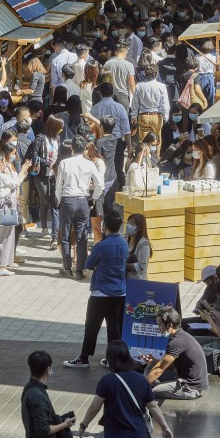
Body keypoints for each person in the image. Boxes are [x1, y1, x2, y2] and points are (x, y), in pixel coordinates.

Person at [64, 213, 128, 368]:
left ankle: (84, 358)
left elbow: (88, 263)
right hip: (120, 292)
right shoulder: (124, 243)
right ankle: (112, 359)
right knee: (114, 328)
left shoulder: (101, 245)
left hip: (100, 292)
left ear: (105, 226)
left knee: (92, 327)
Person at [77, 341, 173, 438]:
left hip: (115, 434)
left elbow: (94, 408)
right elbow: (152, 406)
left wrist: (83, 426)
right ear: (127, 357)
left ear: (110, 360)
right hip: (138, 432)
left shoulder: (106, 381)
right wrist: (165, 427)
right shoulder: (142, 380)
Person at [55, 136, 104, 278]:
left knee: (65, 236)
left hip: (67, 200)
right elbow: (100, 184)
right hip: (83, 200)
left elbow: (59, 185)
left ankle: (67, 267)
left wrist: (59, 200)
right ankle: (79, 270)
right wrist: (93, 198)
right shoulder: (89, 164)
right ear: (85, 149)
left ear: (71, 148)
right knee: (82, 236)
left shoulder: (64, 163)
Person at [142, 307, 209, 400]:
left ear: (169, 325)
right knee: (150, 367)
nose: (158, 328)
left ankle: (145, 389)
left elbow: (159, 369)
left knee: (151, 391)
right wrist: (154, 360)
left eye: (160, 324)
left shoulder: (176, 341)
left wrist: (139, 388)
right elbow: (172, 366)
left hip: (190, 388)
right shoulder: (180, 335)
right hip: (182, 375)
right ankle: (149, 385)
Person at [0, 149, 30, 277]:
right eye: (4, 161)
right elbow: (16, 182)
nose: (7, 162)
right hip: (4, 205)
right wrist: (21, 171)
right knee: (5, 236)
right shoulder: (1, 176)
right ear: (0, 162)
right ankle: (2, 266)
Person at [21, 351, 76, 438]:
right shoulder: (37, 397)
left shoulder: (30, 387)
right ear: (48, 369)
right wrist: (65, 425)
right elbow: (43, 430)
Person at [29, 115, 63, 248]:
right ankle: (44, 228)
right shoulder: (40, 139)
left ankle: (55, 236)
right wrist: (48, 164)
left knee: (55, 204)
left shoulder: (58, 138)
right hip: (42, 174)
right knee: (44, 202)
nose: (61, 130)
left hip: (55, 175)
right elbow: (34, 156)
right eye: (60, 127)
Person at [130, 62, 168, 153]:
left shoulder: (139, 85)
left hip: (143, 116)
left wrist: (134, 116)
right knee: (157, 139)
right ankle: (156, 159)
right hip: (156, 116)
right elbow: (165, 103)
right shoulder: (161, 86)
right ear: (157, 74)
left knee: (143, 141)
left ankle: (144, 159)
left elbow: (135, 102)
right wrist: (166, 116)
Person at [103, 39, 136, 110]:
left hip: (109, 94)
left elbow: (104, 80)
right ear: (126, 52)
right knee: (123, 118)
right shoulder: (129, 65)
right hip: (123, 96)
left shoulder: (107, 63)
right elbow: (131, 84)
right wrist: (136, 97)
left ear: (116, 52)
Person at [124, 213, 152, 281]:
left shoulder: (144, 244)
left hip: (138, 281)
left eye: (131, 223)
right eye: (128, 222)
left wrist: (123, 265)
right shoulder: (124, 239)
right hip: (124, 281)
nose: (127, 225)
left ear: (138, 228)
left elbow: (140, 266)